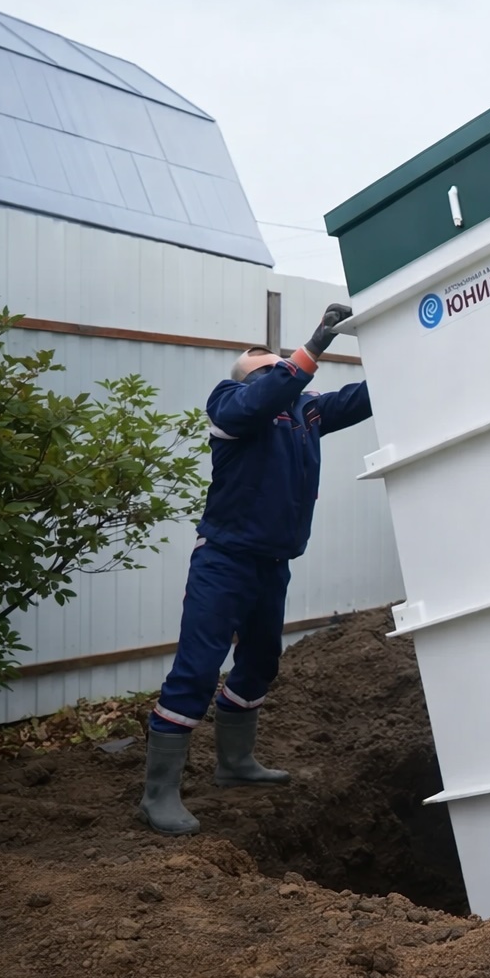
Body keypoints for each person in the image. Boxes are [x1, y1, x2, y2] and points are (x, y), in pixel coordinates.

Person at [139, 304, 371, 835]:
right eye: (264, 364)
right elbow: (260, 400)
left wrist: (397, 347)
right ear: (245, 376)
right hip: (224, 560)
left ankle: (234, 764)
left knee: (261, 662)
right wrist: (310, 350)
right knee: (197, 669)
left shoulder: (305, 413)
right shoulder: (230, 405)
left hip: (271, 563)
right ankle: (157, 796)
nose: (274, 367)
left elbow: (364, 397)